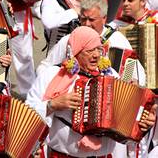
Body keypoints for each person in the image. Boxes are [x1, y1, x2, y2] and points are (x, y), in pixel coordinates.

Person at [26, 26, 157, 157]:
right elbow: (27, 112)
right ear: (76, 50)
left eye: (98, 49)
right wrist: (52, 105)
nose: (96, 55)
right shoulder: (53, 75)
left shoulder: (111, 76)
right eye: (89, 50)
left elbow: (127, 119)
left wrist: (142, 122)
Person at [37, 0, 145, 86]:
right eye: (83, 19)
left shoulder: (117, 40)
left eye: (92, 19)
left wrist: (132, 84)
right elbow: (44, 67)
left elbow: (137, 74)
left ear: (104, 18)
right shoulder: (70, 39)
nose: (87, 24)